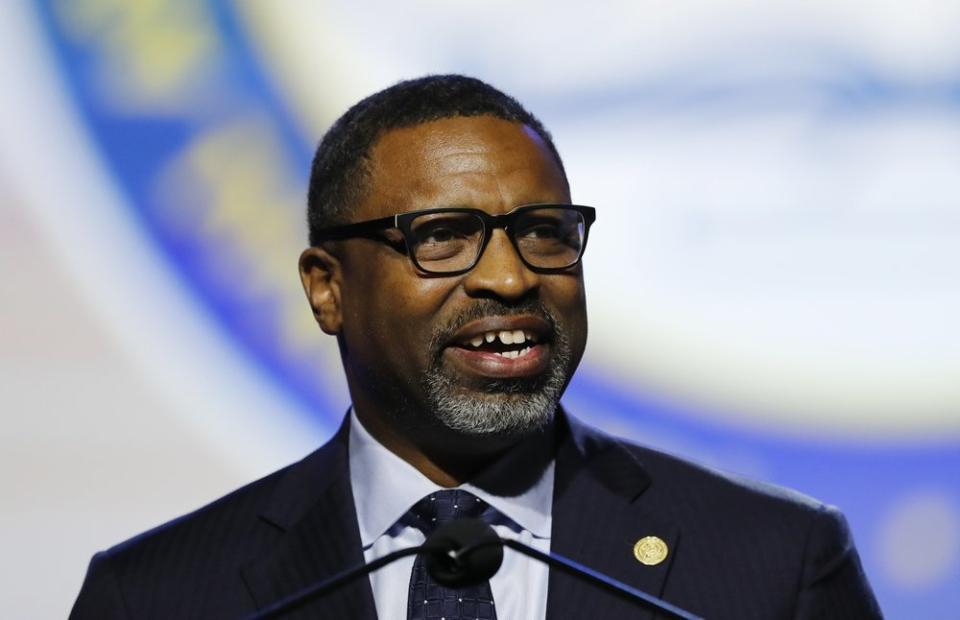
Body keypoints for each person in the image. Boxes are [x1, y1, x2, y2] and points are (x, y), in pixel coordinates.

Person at [70, 75, 882, 619]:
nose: (509, 277)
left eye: (543, 233)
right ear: (328, 287)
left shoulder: (775, 568)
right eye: (444, 237)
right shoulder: (159, 597)